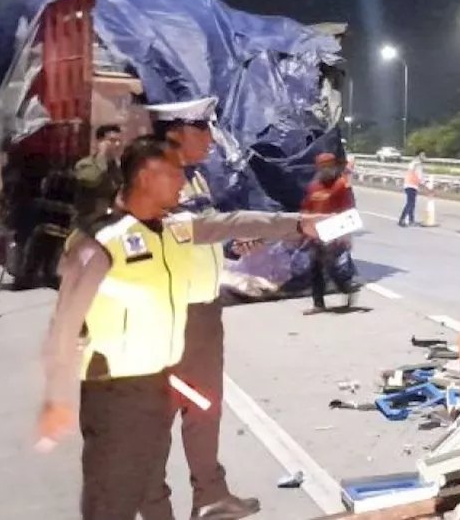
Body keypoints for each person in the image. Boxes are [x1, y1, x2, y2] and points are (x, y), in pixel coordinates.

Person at [37, 136, 324, 520]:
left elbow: (233, 223)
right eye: (174, 174)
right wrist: (57, 399)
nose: (182, 182)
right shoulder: (99, 242)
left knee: (146, 479)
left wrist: (300, 224)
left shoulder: (174, 229)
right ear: (146, 177)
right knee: (112, 498)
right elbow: (64, 325)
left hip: (156, 382)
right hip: (114, 393)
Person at [145, 96, 258, 520]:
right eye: (202, 129)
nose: (211, 138)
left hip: (204, 312)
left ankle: (210, 495)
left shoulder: (194, 179)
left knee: (204, 409)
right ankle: (156, 508)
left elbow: (197, 235)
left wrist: (231, 244)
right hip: (172, 318)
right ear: (176, 132)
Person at [302, 152, 358, 312]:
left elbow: (348, 210)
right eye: (322, 167)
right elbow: (307, 208)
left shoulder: (341, 185)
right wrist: (304, 229)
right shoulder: (313, 187)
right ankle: (318, 304)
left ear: (334, 167)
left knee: (332, 267)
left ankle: (347, 288)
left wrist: (344, 235)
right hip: (316, 233)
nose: (325, 170)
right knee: (315, 268)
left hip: (335, 233)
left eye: (328, 166)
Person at [72, 124, 125, 233]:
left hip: (111, 219)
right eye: (112, 141)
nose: (117, 145)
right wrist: (102, 155)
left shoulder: (116, 167)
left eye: (119, 141)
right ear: (100, 142)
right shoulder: (85, 164)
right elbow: (92, 180)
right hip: (88, 222)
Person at [398, 152, 426, 227]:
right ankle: (402, 219)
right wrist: (425, 185)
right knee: (410, 203)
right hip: (412, 185)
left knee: (411, 203)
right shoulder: (418, 164)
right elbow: (420, 176)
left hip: (408, 184)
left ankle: (411, 220)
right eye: (423, 155)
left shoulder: (413, 163)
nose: (424, 157)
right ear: (419, 155)